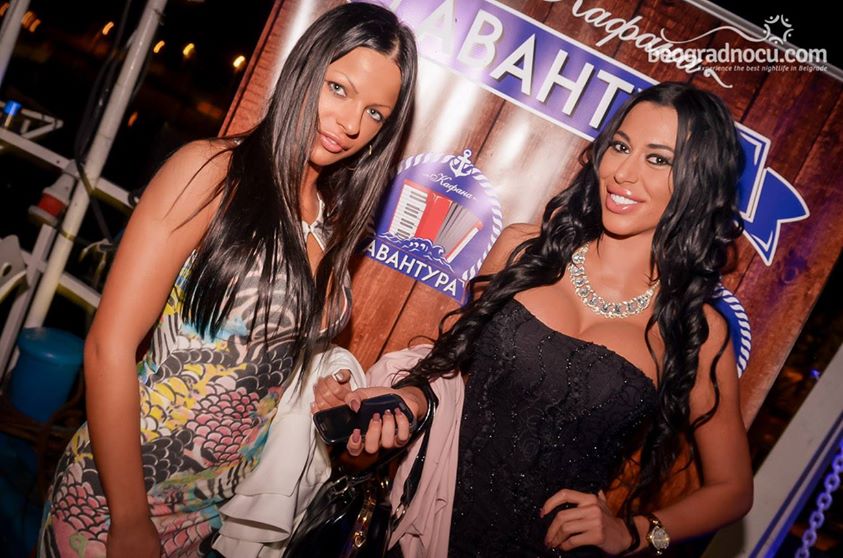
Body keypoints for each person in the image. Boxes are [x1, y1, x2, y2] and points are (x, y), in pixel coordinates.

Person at [38, 3, 417, 557]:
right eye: (338, 89)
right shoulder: (212, 172)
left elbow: (268, 363)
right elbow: (108, 346)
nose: (352, 124)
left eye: (375, 114)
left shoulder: (332, 222)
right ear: (307, 69)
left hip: (214, 509)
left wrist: (320, 389)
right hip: (121, 489)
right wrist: (129, 518)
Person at [315, 82, 753, 556]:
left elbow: (733, 490)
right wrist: (405, 400)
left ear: (698, 180)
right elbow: (448, 370)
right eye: (621, 147)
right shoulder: (523, 251)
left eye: (658, 159)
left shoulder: (695, 331)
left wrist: (635, 533)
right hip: (427, 530)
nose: (624, 173)